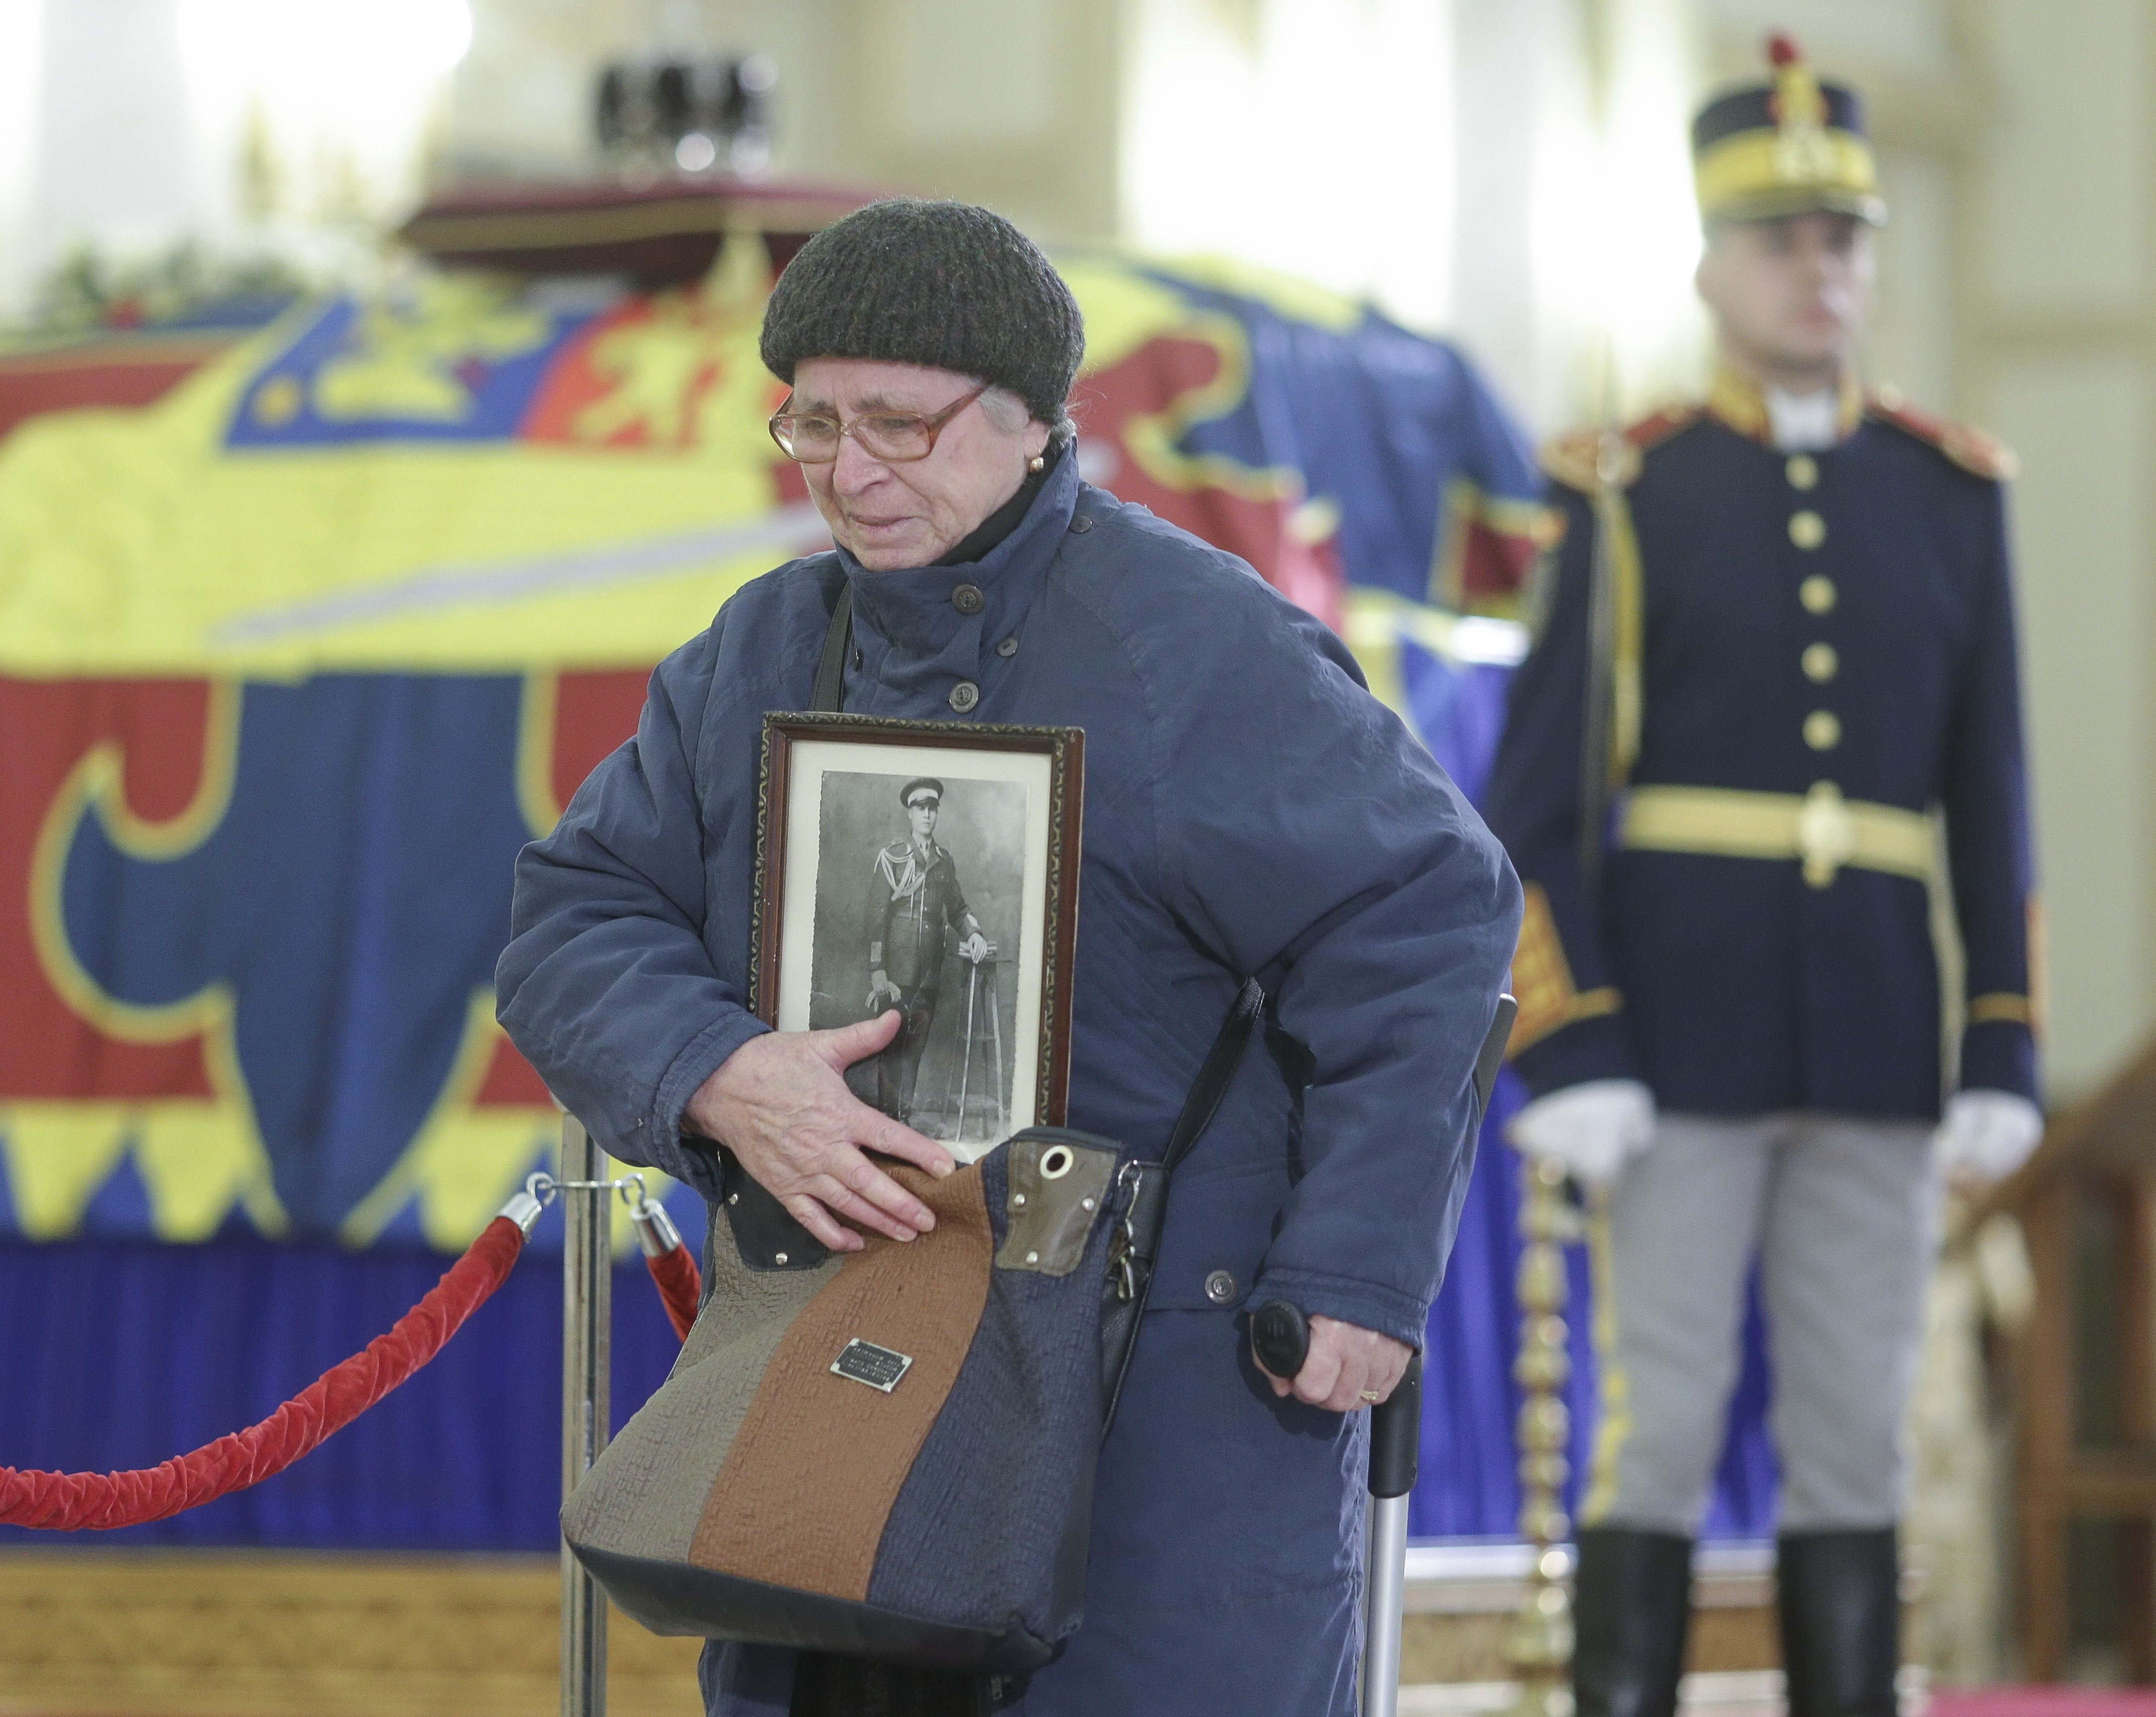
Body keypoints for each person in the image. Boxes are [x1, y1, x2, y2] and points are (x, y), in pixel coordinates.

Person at [498, 196, 1520, 1717]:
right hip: (830, 1353)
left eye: (901, 425)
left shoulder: (1201, 646)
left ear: (1038, 421)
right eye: (817, 422)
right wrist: (715, 1068)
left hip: (1172, 1392)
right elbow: (576, 913)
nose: (851, 471)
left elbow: (1426, 919)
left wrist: (1358, 1272)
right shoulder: (755, 650)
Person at [1485, 37, 2043, 1717]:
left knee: (1855, 1426)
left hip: (1876, 1029)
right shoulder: (1633, 487)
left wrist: (2001, 1036)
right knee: (1657, 1408)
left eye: (1846, 239)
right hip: (1676, 1034)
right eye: (1785, 240)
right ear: (1711, 265)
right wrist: (1566, 1035)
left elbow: (1986, 789)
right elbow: (1536, 797)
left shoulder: (1947, 496)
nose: (1823, 270)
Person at [865, 776, 991, 1126]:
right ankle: (886, 1124)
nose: (926, 815)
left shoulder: (943, 862)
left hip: (929, 976)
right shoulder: (892, 858)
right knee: (891, 1049)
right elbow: (876, 918)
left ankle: (902, 1119)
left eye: (932, 809)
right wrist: (878, 970)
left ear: (937, 814)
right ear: (910, 814)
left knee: (914, 1052)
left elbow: (958, 910)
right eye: (920, 808)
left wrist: (975, 934)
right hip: (895, 974)